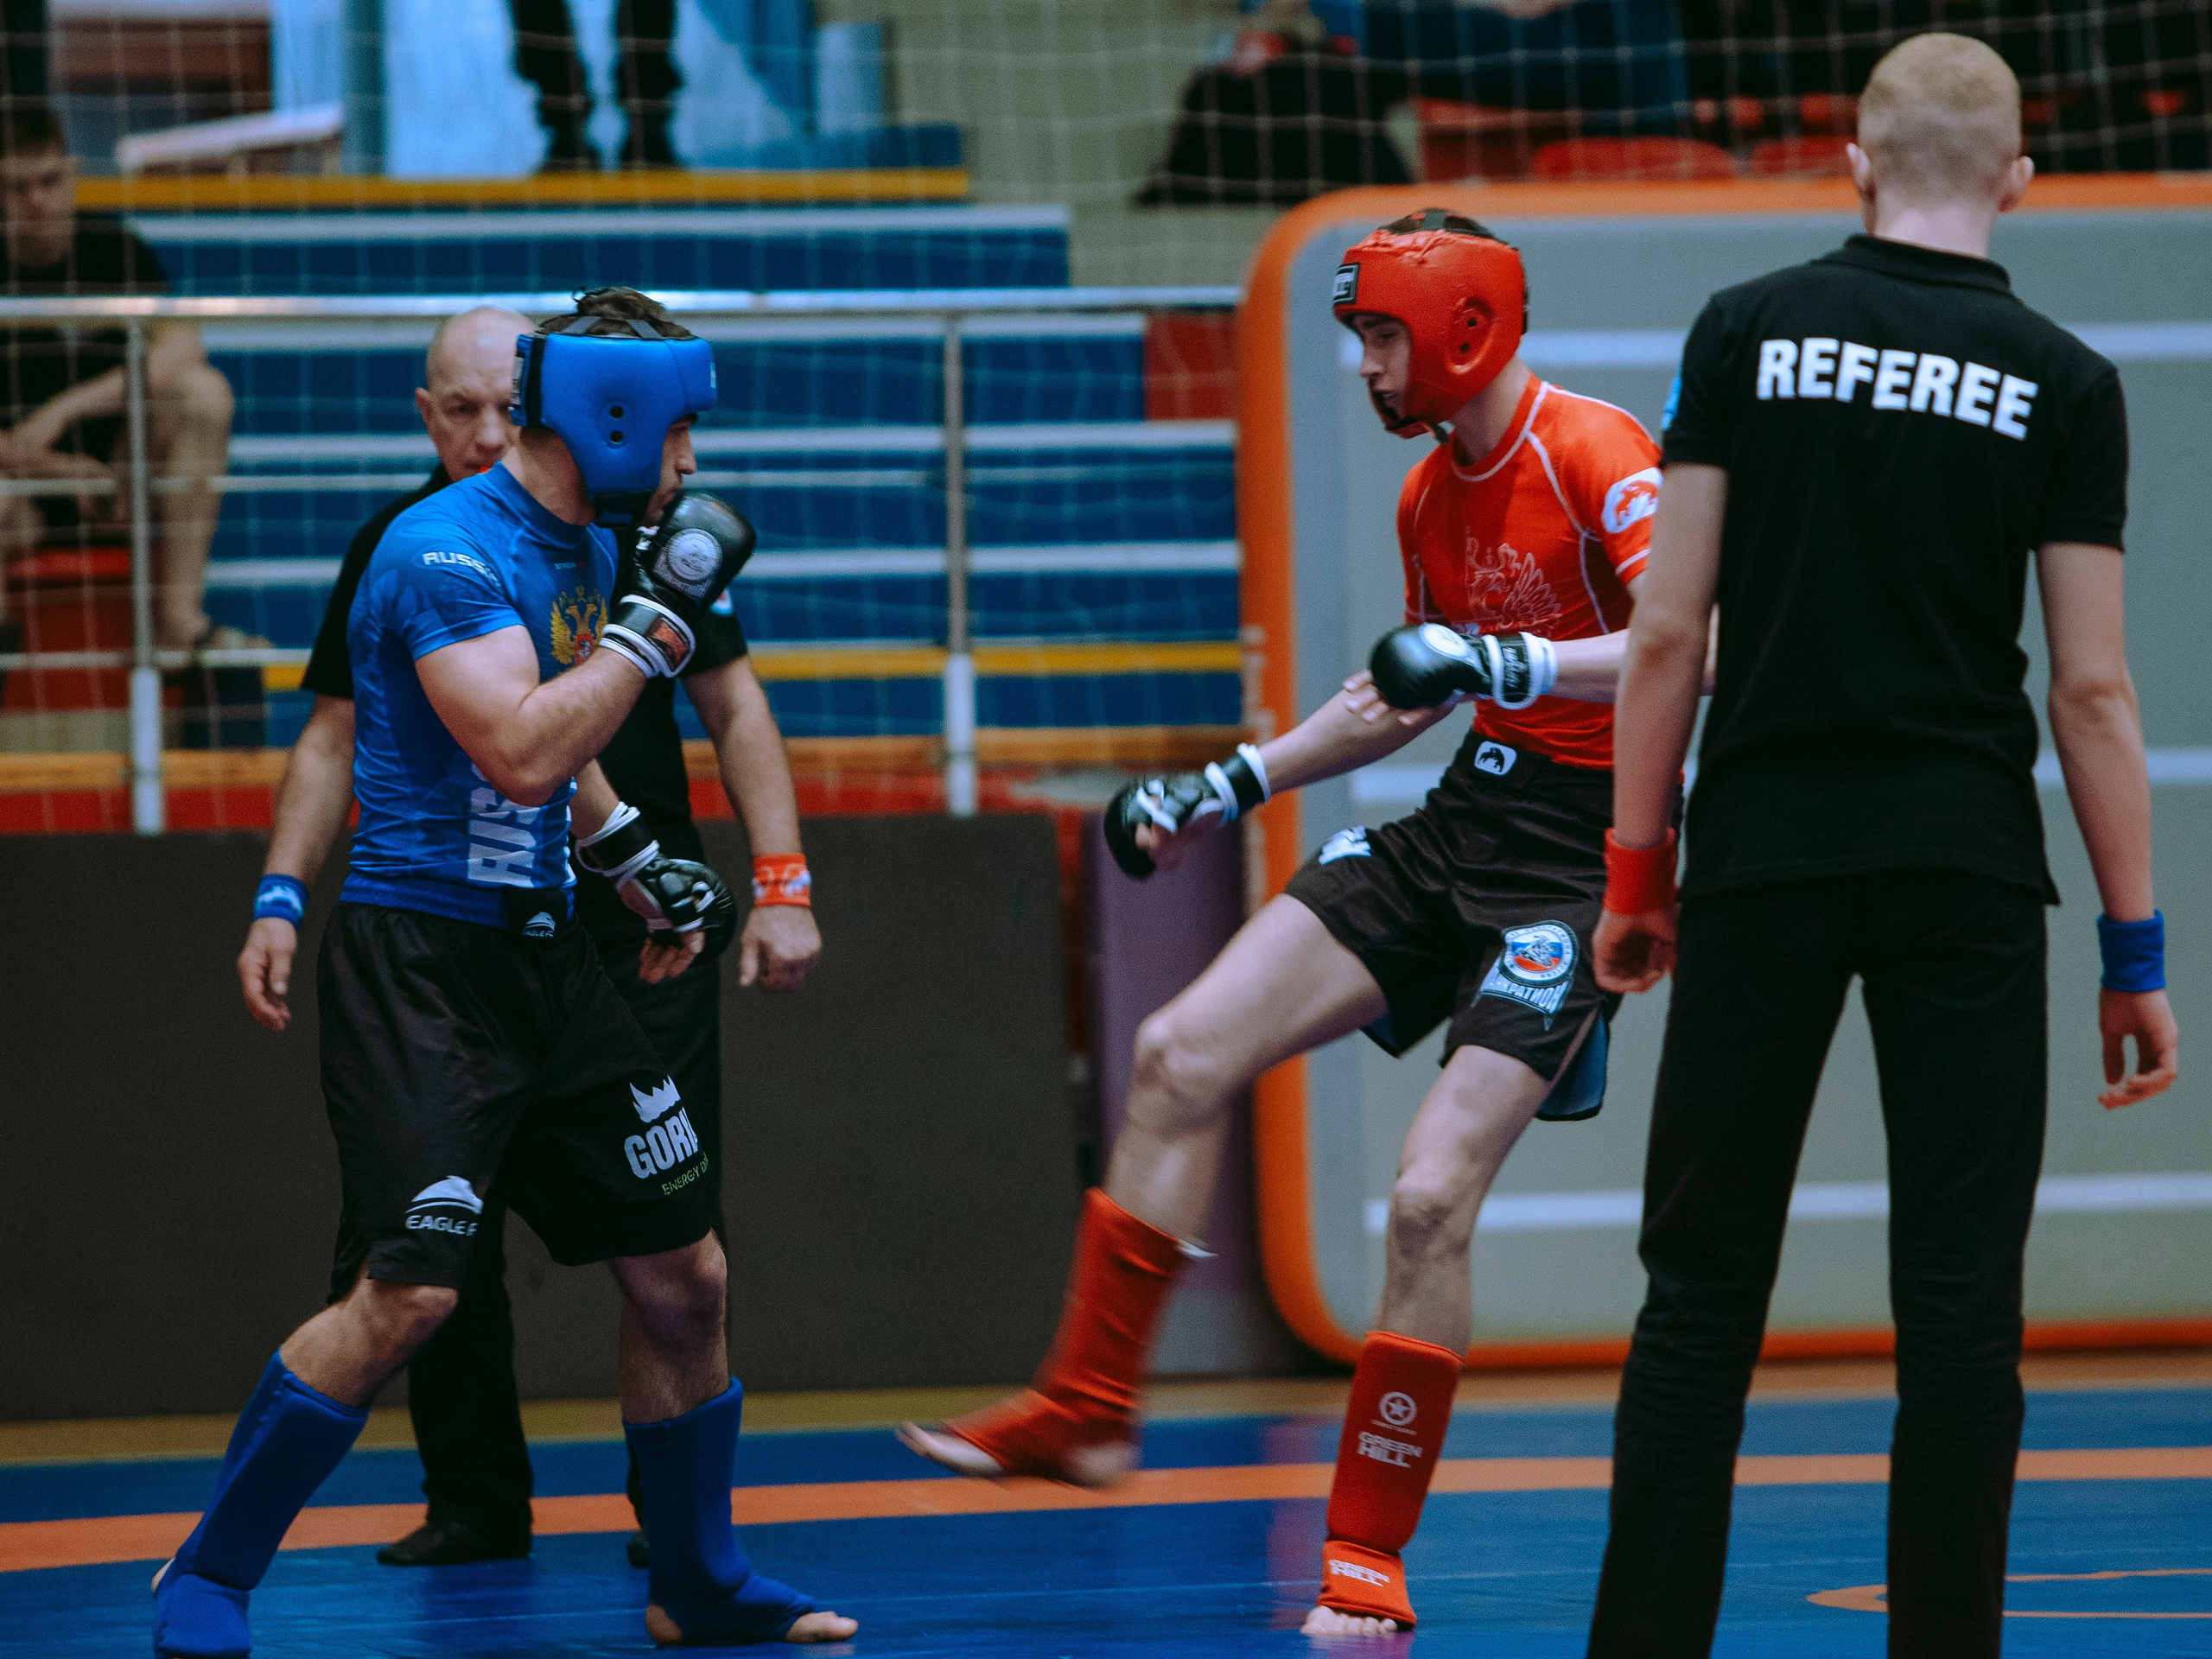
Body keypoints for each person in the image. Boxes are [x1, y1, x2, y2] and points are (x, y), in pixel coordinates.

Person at [900, 209, 1691, 1636]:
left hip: (1579, 868)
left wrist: (1505, 653)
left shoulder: (1597, 452)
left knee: (1434, 1192)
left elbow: (1685, 643)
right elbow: (1405, 689)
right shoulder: (1427, 499)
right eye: (1360, 338)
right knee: (1178, 1053)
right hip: (1463, 825)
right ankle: (1086, 1410)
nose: (1370, 366)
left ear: (1463, 330)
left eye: (1385, 335)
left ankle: (1368, 1558)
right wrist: (1226, 783)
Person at [1586, 35, 2179, 1659]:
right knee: (1962, 1310)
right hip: (1964, 871)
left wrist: (1638, 875)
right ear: (2019, 183)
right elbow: (2094, 690)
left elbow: (1661, 632)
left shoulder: (1744, 330)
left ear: (1851, 164)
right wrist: (2136, 954)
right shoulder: (2065, 381)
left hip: (1764, 855)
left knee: (1699, 1296)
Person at [160, 286, 855, 1656]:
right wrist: (655, 628)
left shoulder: (586, 541)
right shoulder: (437, 552)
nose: (692, 466)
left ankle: (701, 1583)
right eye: (682, 433)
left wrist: (640, 864)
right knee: (410, 1293)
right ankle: (211, 1575)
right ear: (615, 416)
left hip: (551, 955)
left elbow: (570, 770)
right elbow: (521, 749)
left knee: (685, 1274)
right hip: (426, 972)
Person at [0, 102, 236, 653]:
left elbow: (185, 347)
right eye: (15, 187)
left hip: (122, 475)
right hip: (19, 485)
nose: (35, 201)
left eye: (48, 181)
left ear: (73, 176)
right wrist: (54, 468)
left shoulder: (114, 250)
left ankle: (179, 621)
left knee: (204, 394)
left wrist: (68, 409)